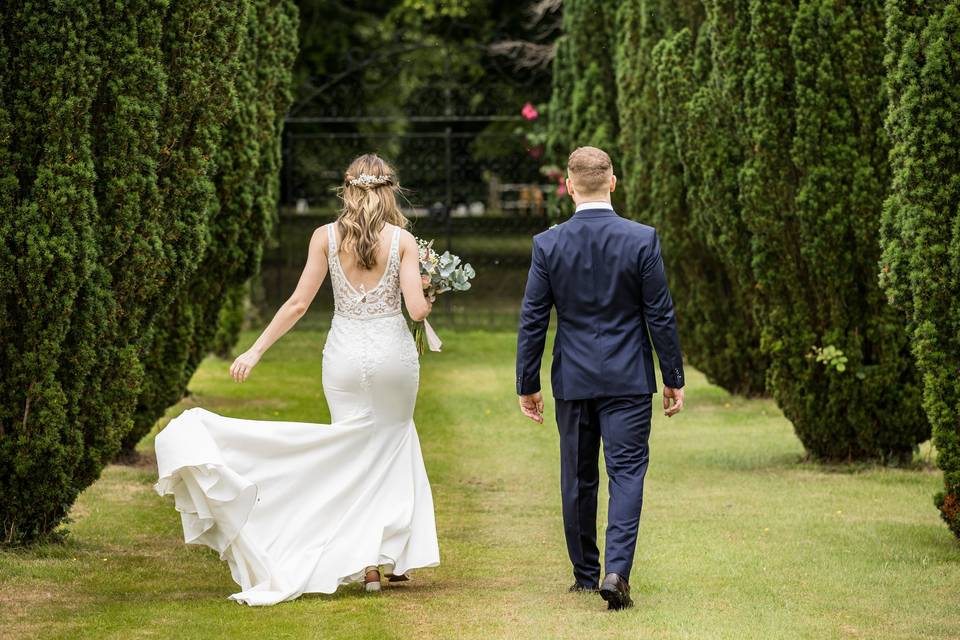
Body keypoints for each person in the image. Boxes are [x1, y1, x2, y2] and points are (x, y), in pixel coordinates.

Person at [153, 153, 440, 606]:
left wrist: (254, 349)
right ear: (389, 190)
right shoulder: (403, 241)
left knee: (349, 450)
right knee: (392, 442)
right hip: (391, 358)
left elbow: (297, 305)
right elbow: (418, 311)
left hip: (343, 358)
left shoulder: (324, 237)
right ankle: (386, 558)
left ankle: (367, 565)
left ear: (347, 190)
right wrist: (429, 286)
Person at [515, 146, 685, 611]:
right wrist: (672, 376)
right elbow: (661, 316)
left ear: (569, 186)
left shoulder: (548, 244)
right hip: (629, 377)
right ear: (613, 182)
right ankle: (617, 571)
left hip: (574, 377)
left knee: (577, 475)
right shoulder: (641, 239)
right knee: (627, 474)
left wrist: (527, 383)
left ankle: (586, 574)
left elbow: (533, 320)